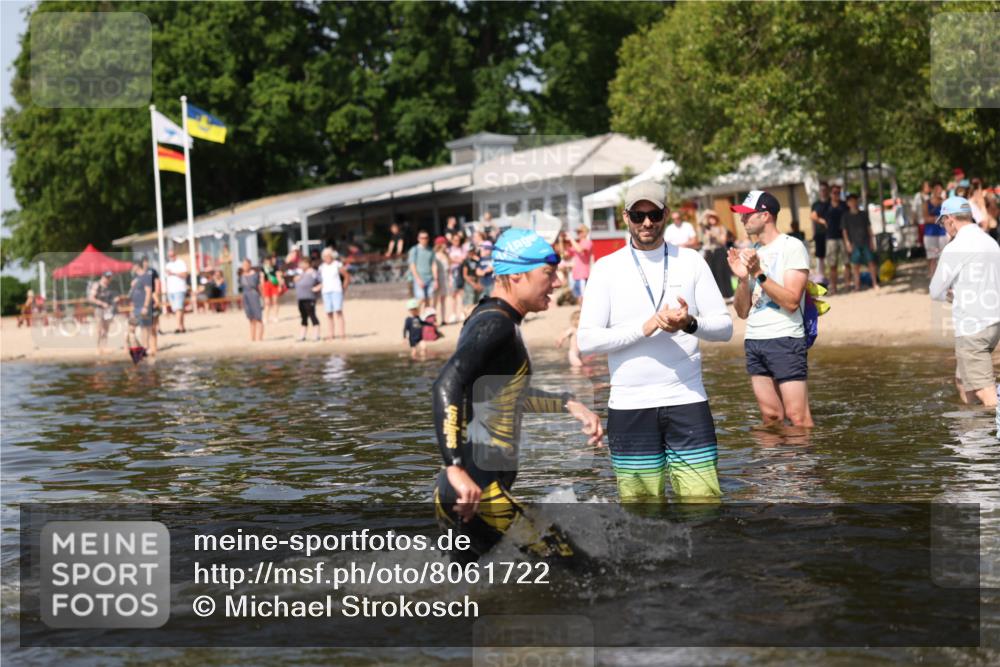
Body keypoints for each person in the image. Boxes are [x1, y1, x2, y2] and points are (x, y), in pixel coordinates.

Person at [432, 228, 603, 563]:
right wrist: (455, 467)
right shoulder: (495, 324)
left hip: (463, 488)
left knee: (460, 596)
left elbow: (499, 395)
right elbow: (446, 383)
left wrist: (568, 403)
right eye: (548, 273)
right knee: (588, 576)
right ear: (516, 275)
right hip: (477, 491)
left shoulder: (491, 319)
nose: (556, 283)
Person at [577, 180, 732, 501]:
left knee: (702, 504)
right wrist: (644, 328)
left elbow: (724, 328)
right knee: (642, 514)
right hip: (630, 406)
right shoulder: (606, 269)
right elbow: (587, 341)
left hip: (687, 400)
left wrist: (689, 323)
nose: (646, 222)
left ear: (666, 214)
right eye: (638, 215)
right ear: (626, 217)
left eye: (654, 214)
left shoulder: (691, 261)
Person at [727, 190, 813, 427]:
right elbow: (743, 312)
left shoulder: (791, 246)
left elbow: (792, 301)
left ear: (765, 216)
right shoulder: (753, 252)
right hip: (755, 338)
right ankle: (774, 465)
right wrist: (743, 279)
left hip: (785, 338)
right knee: (771, 417)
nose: (742, 220)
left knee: (798, 417)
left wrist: (758, 273)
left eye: (747, 215)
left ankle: (804, 465)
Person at [929, 196, 1000, 407]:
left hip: (972, 327)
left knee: (985, 391)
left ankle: (992, 435)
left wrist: (951, 296)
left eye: (943, 223)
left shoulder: (956, 247)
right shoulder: (991, 242)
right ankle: (972, 433)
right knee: (962, 381)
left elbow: (935, 290)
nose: (944, 228)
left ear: (950, 219)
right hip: (994, 323)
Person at [842, 193, 880, 292]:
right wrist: (847, 243)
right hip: (854, 244)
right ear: (848, 203)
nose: (853, 203)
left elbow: (869, 228)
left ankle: (874, 283)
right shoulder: (846, 216)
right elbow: (844, 231)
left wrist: (872, 241)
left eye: (855, 200)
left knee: (871, 263)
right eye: (851, 201)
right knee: (855, 266)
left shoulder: (863, 214)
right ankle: (857, 286)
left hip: (866, 242)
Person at [700, 210, 734, 300]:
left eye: (713, 217)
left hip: (719, 251)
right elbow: (700, 221)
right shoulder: (705, 229)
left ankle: (728, 294)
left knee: (722, 272)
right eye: (710, 218)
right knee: (712, 274)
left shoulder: (721, 228)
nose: (712, 219)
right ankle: (717, 296)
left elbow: (723, 241)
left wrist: (714, 235)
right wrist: (707, 212)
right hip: (709, 252)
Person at [319, 248, 349, 340]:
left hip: (336, 290)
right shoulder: (321, 267)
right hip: (326, 291)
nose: (326, 258)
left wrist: (344, 288)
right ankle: (331, 334)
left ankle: (342, 334)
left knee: (338, 312)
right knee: (329, 313)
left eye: (328, 256)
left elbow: (346, 276)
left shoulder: (337, 264)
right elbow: (321, 280)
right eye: (324, 256)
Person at [824, 184, 848, 294]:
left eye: (838, 192)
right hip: (831, 238)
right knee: (832, 265)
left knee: (847, 263)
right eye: (834, 192)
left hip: (844, 237)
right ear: (830, 193)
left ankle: (848, 286)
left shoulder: (844, 205)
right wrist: (822, 222)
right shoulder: (826, 205)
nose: (836, 194)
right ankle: (834, 287)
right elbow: (814, 215)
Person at [128, 260, 155, 356]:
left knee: (145, 328)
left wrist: (145, 306)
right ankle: (139, 349)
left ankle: (145, 348)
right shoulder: (136, 278)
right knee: (131, 329)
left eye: (132, 266)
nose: (131, 268)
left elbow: (148, 292)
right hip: (136, 307)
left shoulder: (146, 277)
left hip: (142, 307)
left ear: (137, 266)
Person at [407, 230, 438, 309]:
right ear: (418, 239)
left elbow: (433, 265)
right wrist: (418, 279)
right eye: (422, 238)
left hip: (430, 278)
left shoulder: (431, 250)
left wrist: (435, 279)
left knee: (429, 300)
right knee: (421, 299)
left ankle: (426, 319)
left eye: (426, 238)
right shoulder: (414, 250)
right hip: (419, 279)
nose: (424, 239)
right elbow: (412, 265)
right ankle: (416, 316)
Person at [87, 271, 116, 353]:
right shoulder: (97, 285)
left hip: (108, 310)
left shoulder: (109, 287)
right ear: (103, 277)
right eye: (107, 277)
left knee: (106, 329)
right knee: (99, 329)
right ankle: (98, 347)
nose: (108, 279)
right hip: (99, 309)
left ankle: (104, 347)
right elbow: (91, 298)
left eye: (109, 278)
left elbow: (111, 297)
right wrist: (102, 303)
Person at [293, 257, 321, 341]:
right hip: (301, 298)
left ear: (307, 264)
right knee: (303, 317)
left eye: (302, 263)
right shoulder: (301, 274)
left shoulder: (314, 273)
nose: (300, 265)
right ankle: (302, 335)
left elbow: (322, 282)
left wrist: (317, 288)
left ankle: (316, 335)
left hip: (310, 298)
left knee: (312, 315)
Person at [923, 181, 948, 278]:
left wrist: (933, 219)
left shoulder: (945, 202)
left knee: (943, 256)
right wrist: (939, 219)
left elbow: (947, 217)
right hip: (930, 234)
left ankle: (943, 278)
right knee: (932, 257)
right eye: (936, 189)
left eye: (940, 188)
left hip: (942, 233)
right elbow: (925, 219)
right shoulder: (926, 203)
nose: (938, 191)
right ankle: (933, 279)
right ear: (932, 190)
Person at [565, 225, 594, 303]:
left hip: (583, 275)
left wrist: (571, 239)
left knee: (585, 298)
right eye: (577, 232)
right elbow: (565, 255)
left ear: (585, 233)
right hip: (575, 275)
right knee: (579, 298)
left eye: (580, 232)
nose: (578, 234)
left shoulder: (588, 242)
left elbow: (580, 250)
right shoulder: (577, 243)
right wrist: (561, 240)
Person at [164, 248, 189, 333]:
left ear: (175, 255)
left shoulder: (180, 263)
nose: (171, 257)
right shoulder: (168, 265)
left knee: (178, 308)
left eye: (172, 255)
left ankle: (178, 327)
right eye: (169, 256)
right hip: (171, 290)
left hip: (179, 288)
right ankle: (182, 326)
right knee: (177, 309)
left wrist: (173, 273)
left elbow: (185, 275)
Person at [239, 258, 264, 341]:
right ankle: (252, 338)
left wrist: (262, 297)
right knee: (251, 318)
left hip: (254, 295)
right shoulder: (241, 276)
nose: (244, 266)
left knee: (258, 318)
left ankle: (259, 338)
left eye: (246, 264)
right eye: (243, 265)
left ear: (250, 265)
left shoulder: (255, 275)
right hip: (246, 296)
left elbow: (259, 286)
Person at [810, 181, 830, 283]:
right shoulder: (816, 204)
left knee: (830, 257)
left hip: (831, 235)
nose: (823, 192)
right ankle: (821, 278)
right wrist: (822, 221)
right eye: (822, 190)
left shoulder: (831, 202)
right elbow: (812, 216)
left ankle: (830, 278)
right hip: (820, 234)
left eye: (825, 190)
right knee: (820, 257)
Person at [139, 256, 161, 350]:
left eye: (147, 261)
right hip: (143, 301)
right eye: (144, 262)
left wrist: (156, 296)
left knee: (153, 326)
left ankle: (154, 347)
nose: (146, 263)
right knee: (144, 326)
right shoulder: (139, 273)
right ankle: (145, 346)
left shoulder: (152, 271)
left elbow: (157, 283)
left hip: (152, 298)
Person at [446, 232, 468, 324]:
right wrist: (456, 259)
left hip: (461, 272)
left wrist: (455, 259)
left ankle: (462, 312)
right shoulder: (449, 249)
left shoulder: (463, 249)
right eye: (455, 240)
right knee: (453, 294)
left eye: (458, 240)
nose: (456, 241)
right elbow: (448, 260)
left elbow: (463, 259)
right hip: (452, 274)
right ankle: (453, 314)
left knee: (462, 293)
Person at [432, 235, 450, 324]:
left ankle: (443, 319)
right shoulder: (435, 255)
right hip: (438, 279)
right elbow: (434, 269)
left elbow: (449, 269)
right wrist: (436, 280)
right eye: (444, 243)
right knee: (435, 300)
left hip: (445, 279)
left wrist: (450, 280)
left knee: (443, 300)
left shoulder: (446, 255)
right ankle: (433, 319)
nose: (446, 245)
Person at [461, 246, 482, 317]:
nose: (471, 253)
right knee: (469, 299)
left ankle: (474, 315)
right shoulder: (466, 261)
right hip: (469, 282)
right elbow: (465, 275)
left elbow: (479, 272)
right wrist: (473, 284)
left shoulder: (476, 261)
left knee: (476, 300)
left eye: (472, 251)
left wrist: (478, 283)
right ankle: (468, 315)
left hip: (476, 280)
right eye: (470, 251)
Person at [261, 255, 281, 323]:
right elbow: (262, 278)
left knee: (275, 301)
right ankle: (266, 317)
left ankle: (275, 316)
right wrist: (262, 287)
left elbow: (278, 276)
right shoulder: (263, 268)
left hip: (274, 285)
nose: (267, 262)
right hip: (266, 285)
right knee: (267, 302)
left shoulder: (275, 267)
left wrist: (279, 286)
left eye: (268, 260)